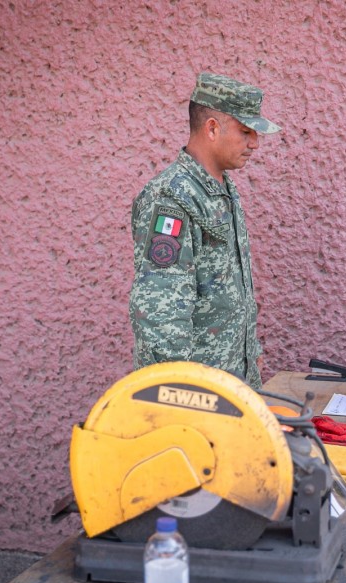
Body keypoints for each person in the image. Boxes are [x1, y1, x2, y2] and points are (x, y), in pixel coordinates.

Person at [128, 72, 281, 389]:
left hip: (230, 387)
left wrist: (250, 355)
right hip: (196, 400)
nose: (255, 142)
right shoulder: (172, 198)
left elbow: (227, 295)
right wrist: (178, 397)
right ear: (212, 128)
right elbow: (160, 315)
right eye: (245, 131)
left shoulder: (218, 189)